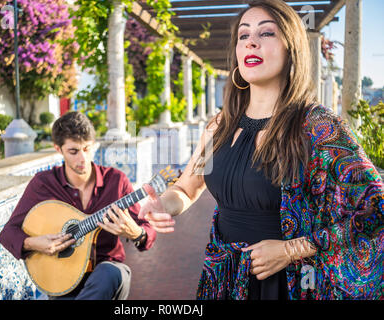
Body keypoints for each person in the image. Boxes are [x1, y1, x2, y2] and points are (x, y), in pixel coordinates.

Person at [139, 0, 383, 300]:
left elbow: (376, 207)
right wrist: (163, 205)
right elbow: (187, 189)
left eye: (267, 33)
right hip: (223, 279)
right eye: (243, 35)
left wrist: (289, 250)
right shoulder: (218, 126)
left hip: (288, 285)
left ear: (291, 48)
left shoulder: (318, 125)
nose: (251, 41)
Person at [0, 111, 156, 300]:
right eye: (73, 151)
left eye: (87, 149)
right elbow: (8, 233)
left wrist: (137, 233)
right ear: (58, 149)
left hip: (107, 273)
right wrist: (33, 243)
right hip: (61, 279)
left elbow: (146, 230)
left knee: (110, 273)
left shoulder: (116, 181)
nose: (83, 158)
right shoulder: (44, 184)